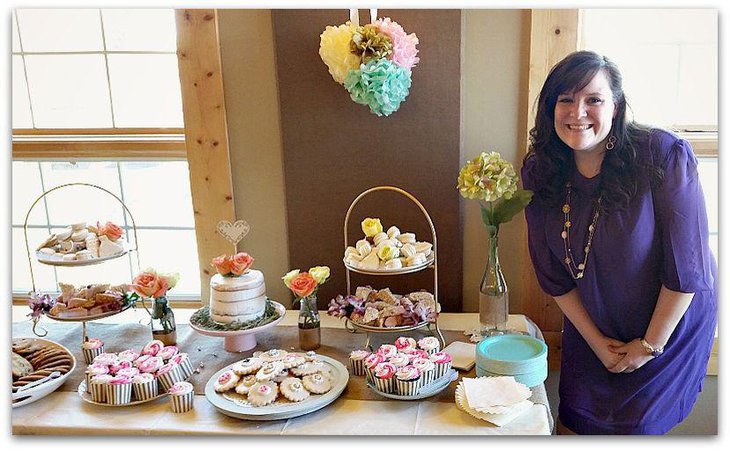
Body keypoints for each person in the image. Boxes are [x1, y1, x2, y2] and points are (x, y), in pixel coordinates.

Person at [521, 50, 717, 435]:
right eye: (565, 100)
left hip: (668, 322)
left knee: (635, 427)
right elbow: (553, 275)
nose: (578, 112)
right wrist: (595, 341)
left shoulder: (661, 155)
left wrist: (648, 346)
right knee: (575, 418)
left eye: (593, 99)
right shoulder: (540, 169)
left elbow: (687, 267)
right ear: (550, 109)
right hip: (592, 320)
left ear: (615, 106)